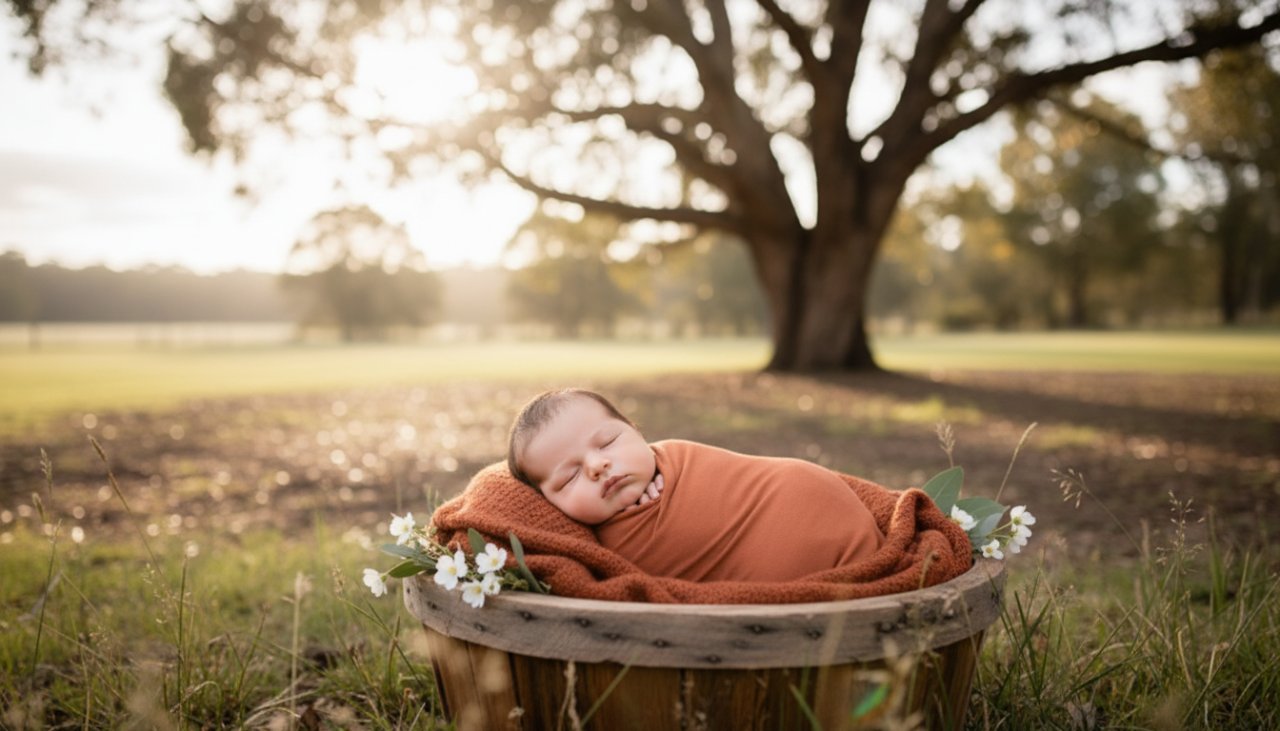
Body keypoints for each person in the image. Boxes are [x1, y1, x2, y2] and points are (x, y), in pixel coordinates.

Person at [506, 388, 885, 583]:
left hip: (801, 499)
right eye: (569, 477)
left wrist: (665, 487)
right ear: (546, 503)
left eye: (607, 442)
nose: (597, 465)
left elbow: (716, 487)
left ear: (637, 432)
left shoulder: (677, 459)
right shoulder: (588, 547)